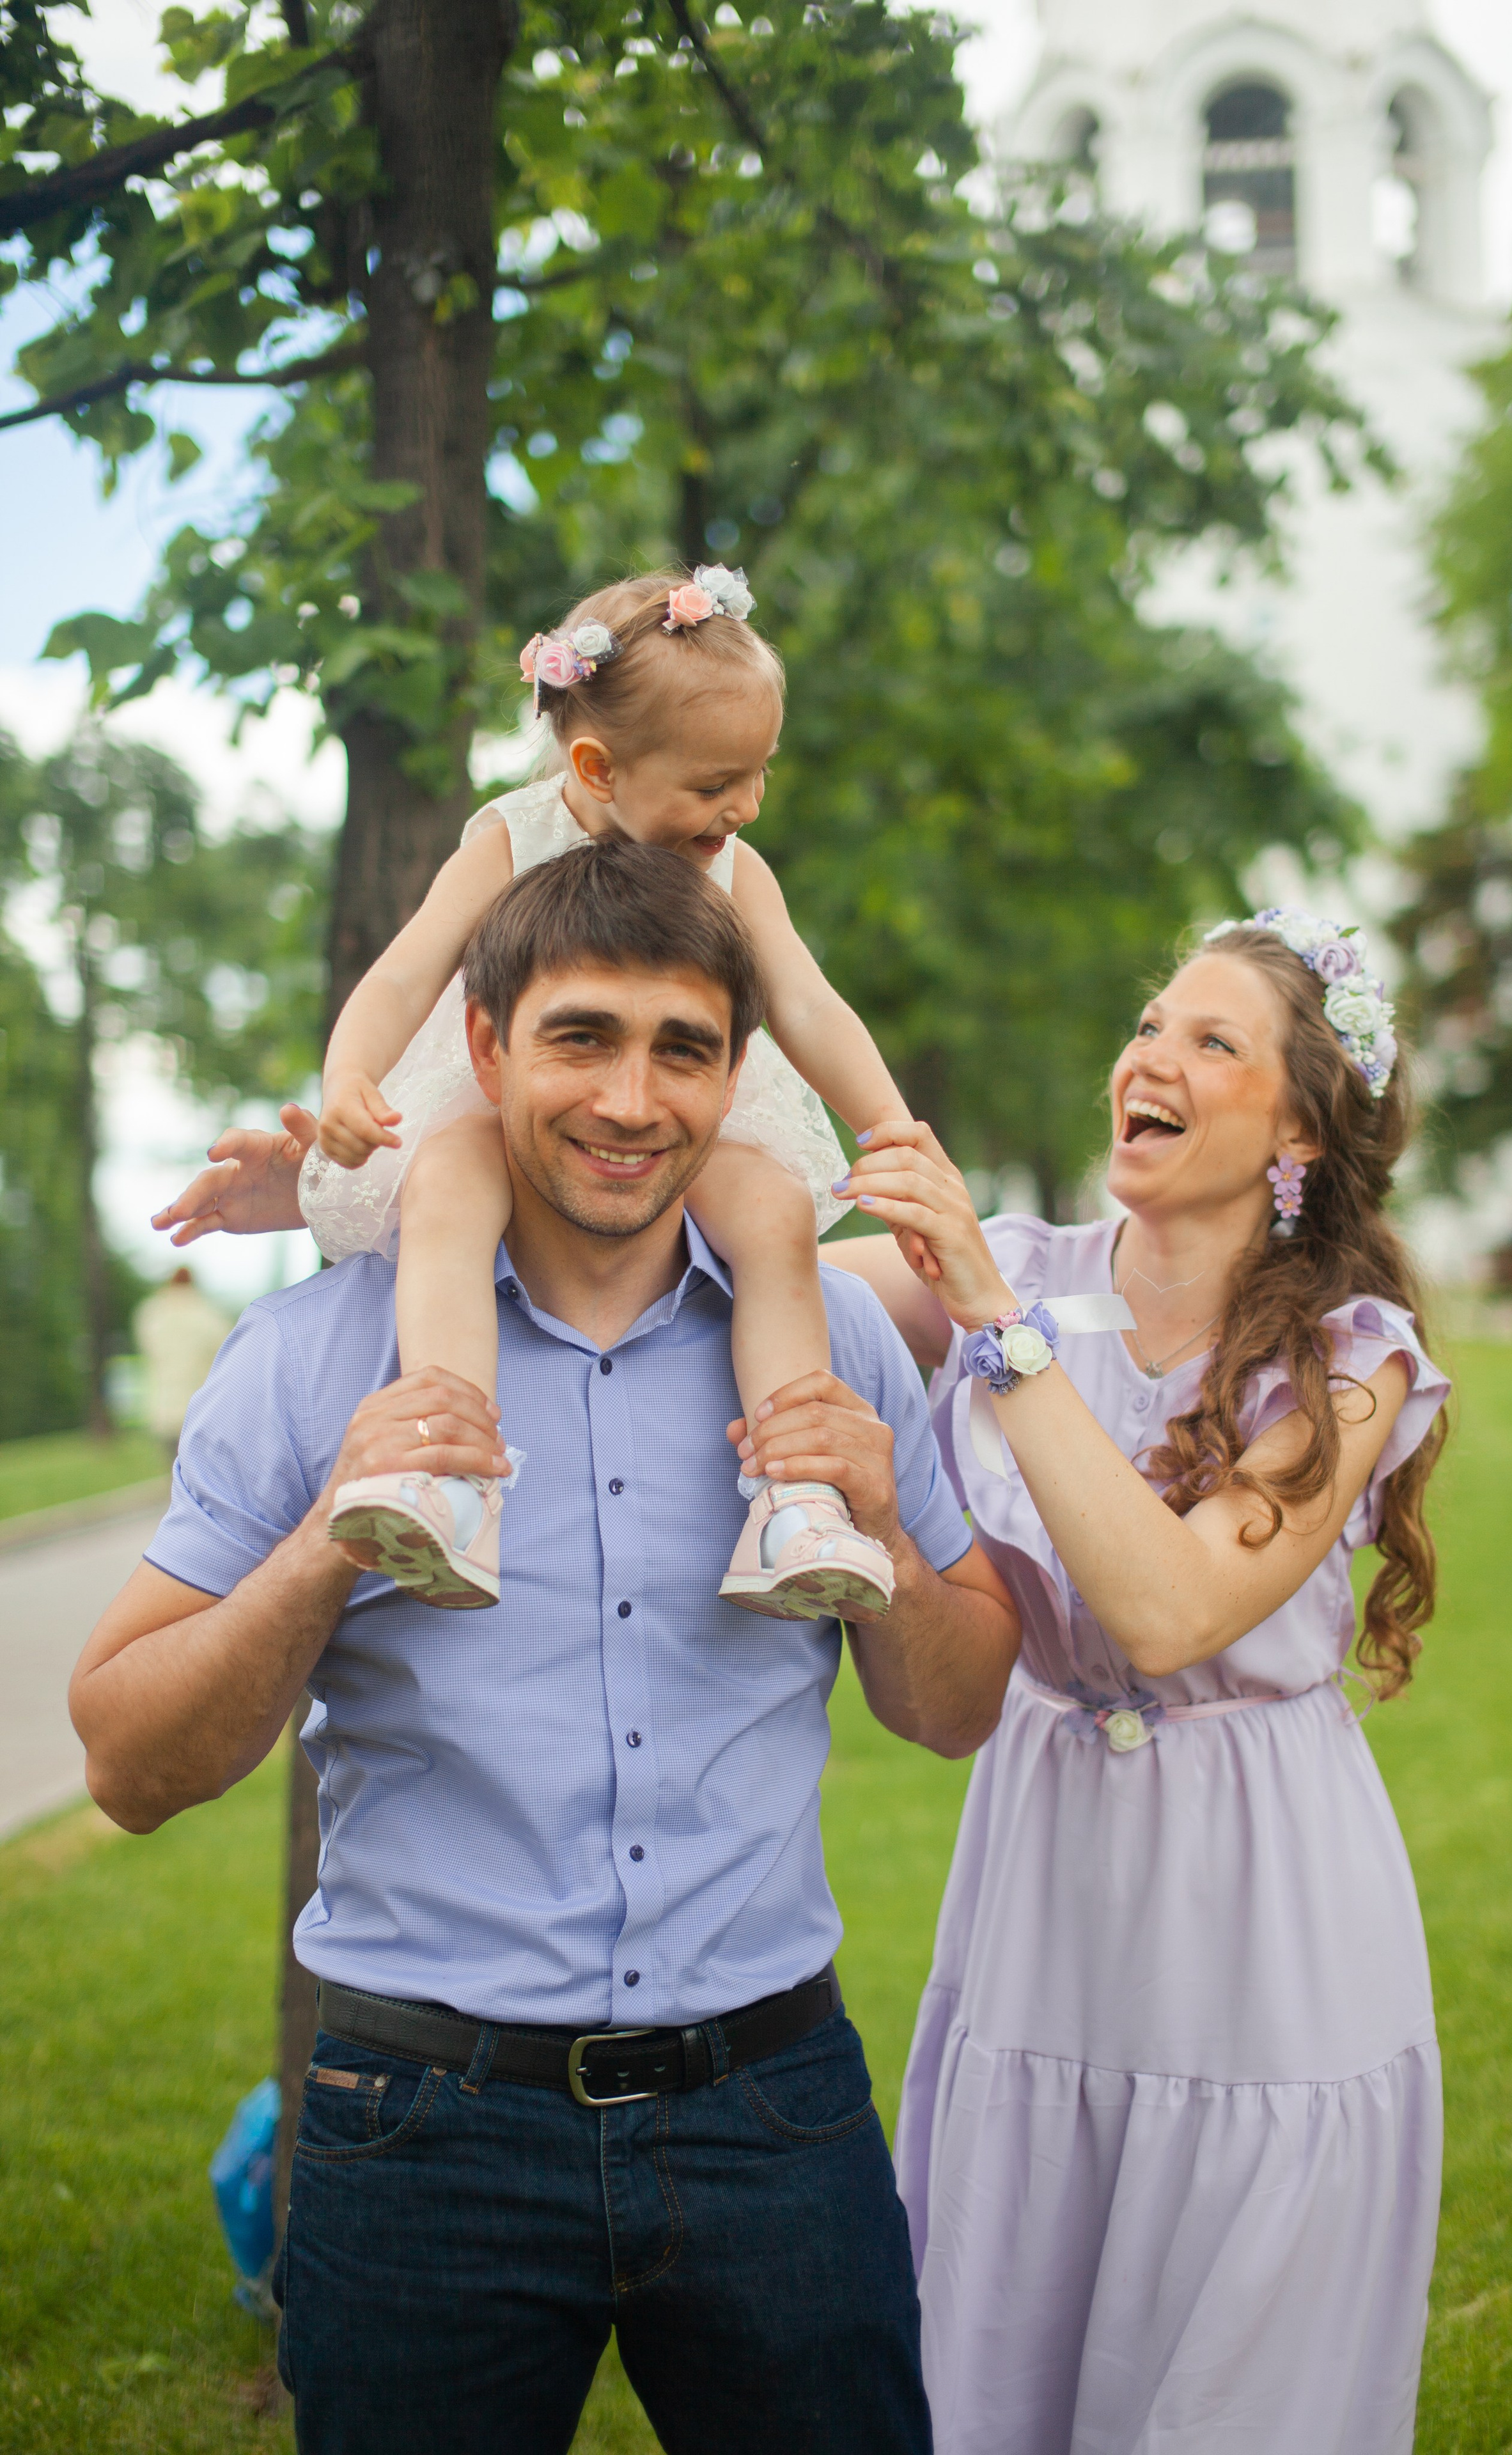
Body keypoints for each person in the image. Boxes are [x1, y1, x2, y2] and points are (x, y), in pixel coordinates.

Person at [72, 838, 1020, 2455]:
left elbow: (954, 1703)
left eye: (684, 1048)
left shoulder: (837, 1341)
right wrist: (332, 1533)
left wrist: (877, 1557)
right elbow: (126, 1761)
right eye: (582, 1035)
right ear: (490, 1047)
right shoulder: (309, 1358)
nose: (632, 1100)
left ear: (737, 1073)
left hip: (771, 2113)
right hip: (419, 2130)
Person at [804, 910, 1451, 2455]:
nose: (1146, 1055)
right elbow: (734, 1247)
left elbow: (1165, 1606)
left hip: (1256, 1896)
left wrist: (992, 1326)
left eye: (1208, 1040)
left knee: (1227, 2355)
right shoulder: (1020, 1272)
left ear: (1294, 1125)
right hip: (1040, 1883)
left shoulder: (1350, 1362)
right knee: (1006, 2312)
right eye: (1147, 1020)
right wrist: (387, 1178)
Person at [158, 563, 908, 1621]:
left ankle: (797, 1497)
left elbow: (810, 1005)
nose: (740, 809)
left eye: (759, 776)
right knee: (450, 1190)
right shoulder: (512, 837)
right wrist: (348, 1081)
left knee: (779, 1216)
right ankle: (447, 1467)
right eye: (711, 785)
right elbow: (406, 972)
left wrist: (891, 1131)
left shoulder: (738, 869)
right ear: (598, 766)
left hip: (701, 1117)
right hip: (501, 1107)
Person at [131, 1265, 230, 1456]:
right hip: (201, 1409)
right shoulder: (211, 1316)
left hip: (164, 1406)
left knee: (173, 1469)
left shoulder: (151, 1314)